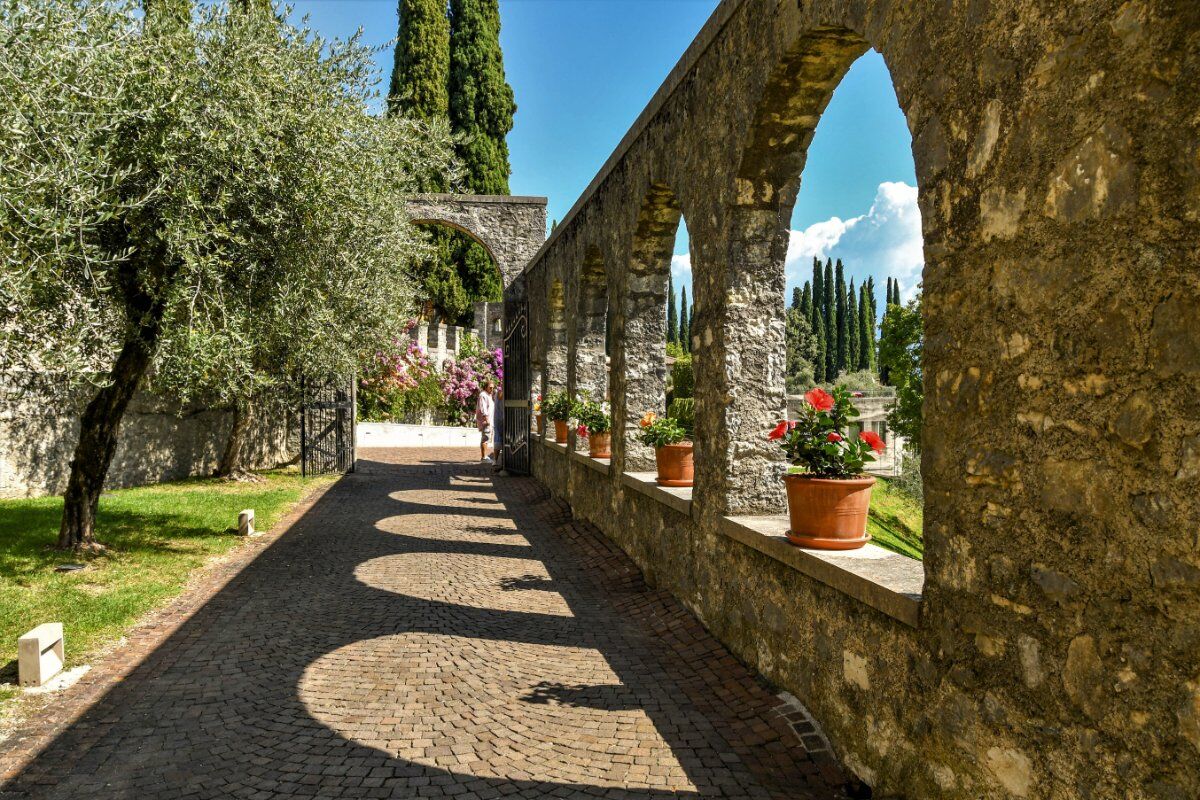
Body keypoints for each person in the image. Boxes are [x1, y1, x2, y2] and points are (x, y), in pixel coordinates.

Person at [476, 379, 495, 464]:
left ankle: (484, 456)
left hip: (489, 420)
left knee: (486, 438)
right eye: (490, 388)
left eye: (493, 388)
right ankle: (484, 457)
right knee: (485, 438)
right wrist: (486, 420)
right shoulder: (483, 395)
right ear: (486, 387)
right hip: (485, 420)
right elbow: (483, 408)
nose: (492, 390)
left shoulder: (488, 395)